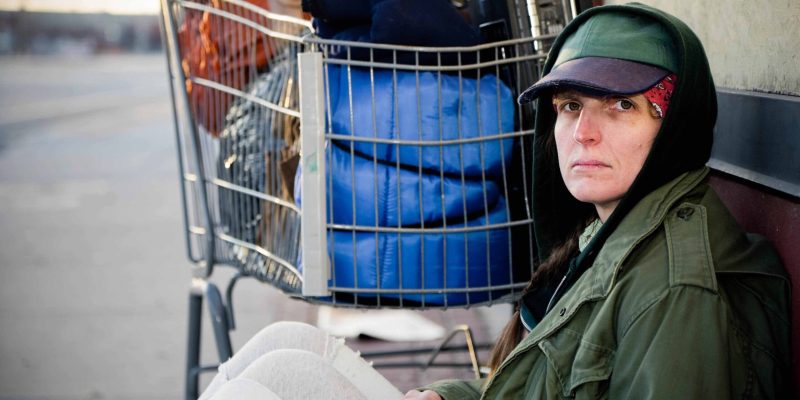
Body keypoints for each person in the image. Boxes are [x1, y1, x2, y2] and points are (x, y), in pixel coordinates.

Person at [199, 3, 792, 399]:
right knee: (286, 347)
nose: (583, 132)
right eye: (569, 107)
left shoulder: (674, 293)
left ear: (676, 126)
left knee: (268, 383)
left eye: (621, 106)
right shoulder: (609, 231)